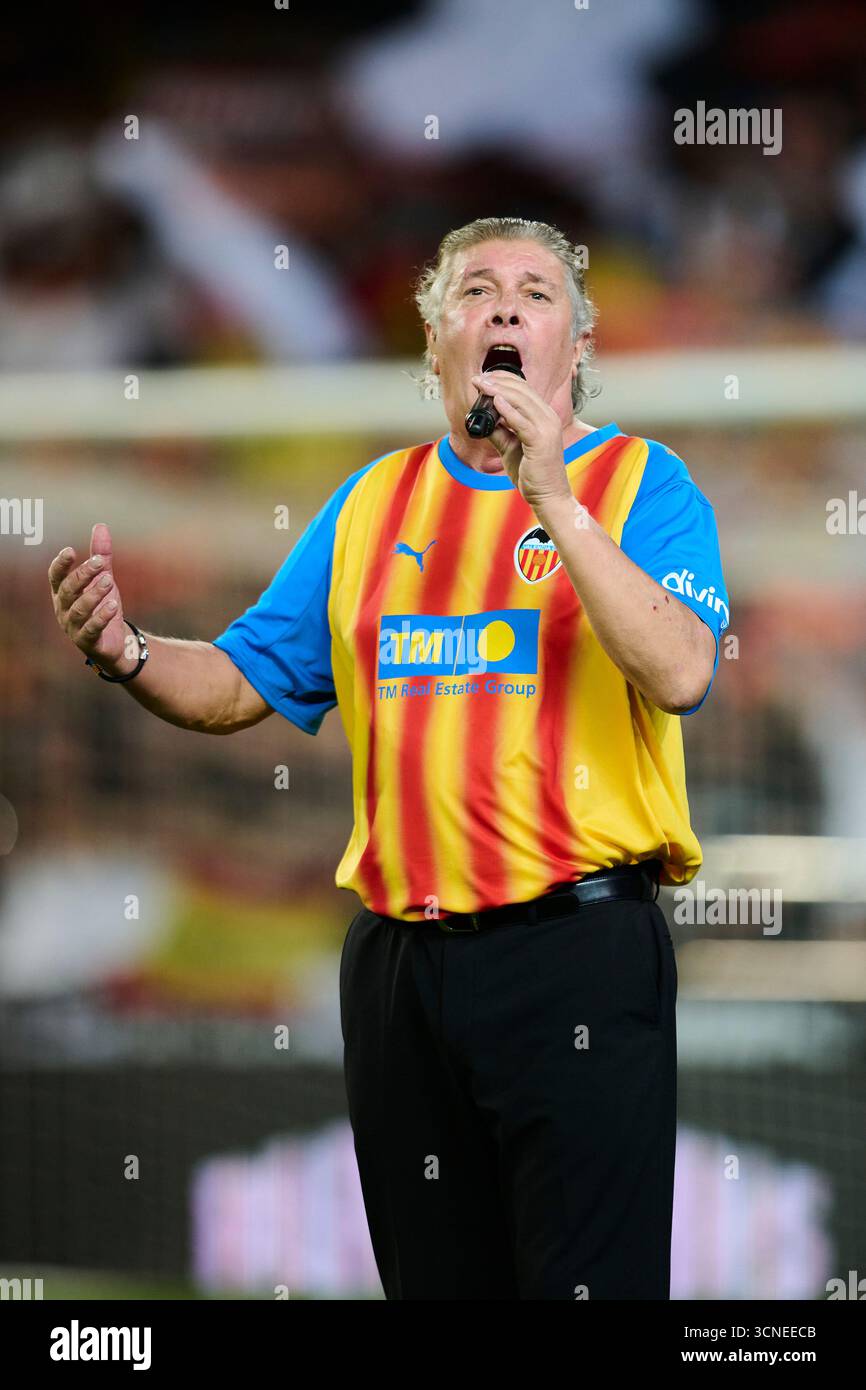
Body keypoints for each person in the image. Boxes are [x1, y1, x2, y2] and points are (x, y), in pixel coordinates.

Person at [48, 216, 729, 1301]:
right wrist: (126, 652)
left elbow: (681, 670)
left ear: (577, 347)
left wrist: (551, 495)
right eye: (475, 289)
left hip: (574, 956)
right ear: (433, 340)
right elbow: (236, 683)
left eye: (535, 292)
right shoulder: (371, 504)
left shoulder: (645, 487)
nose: (503, 306)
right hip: (401, 971)